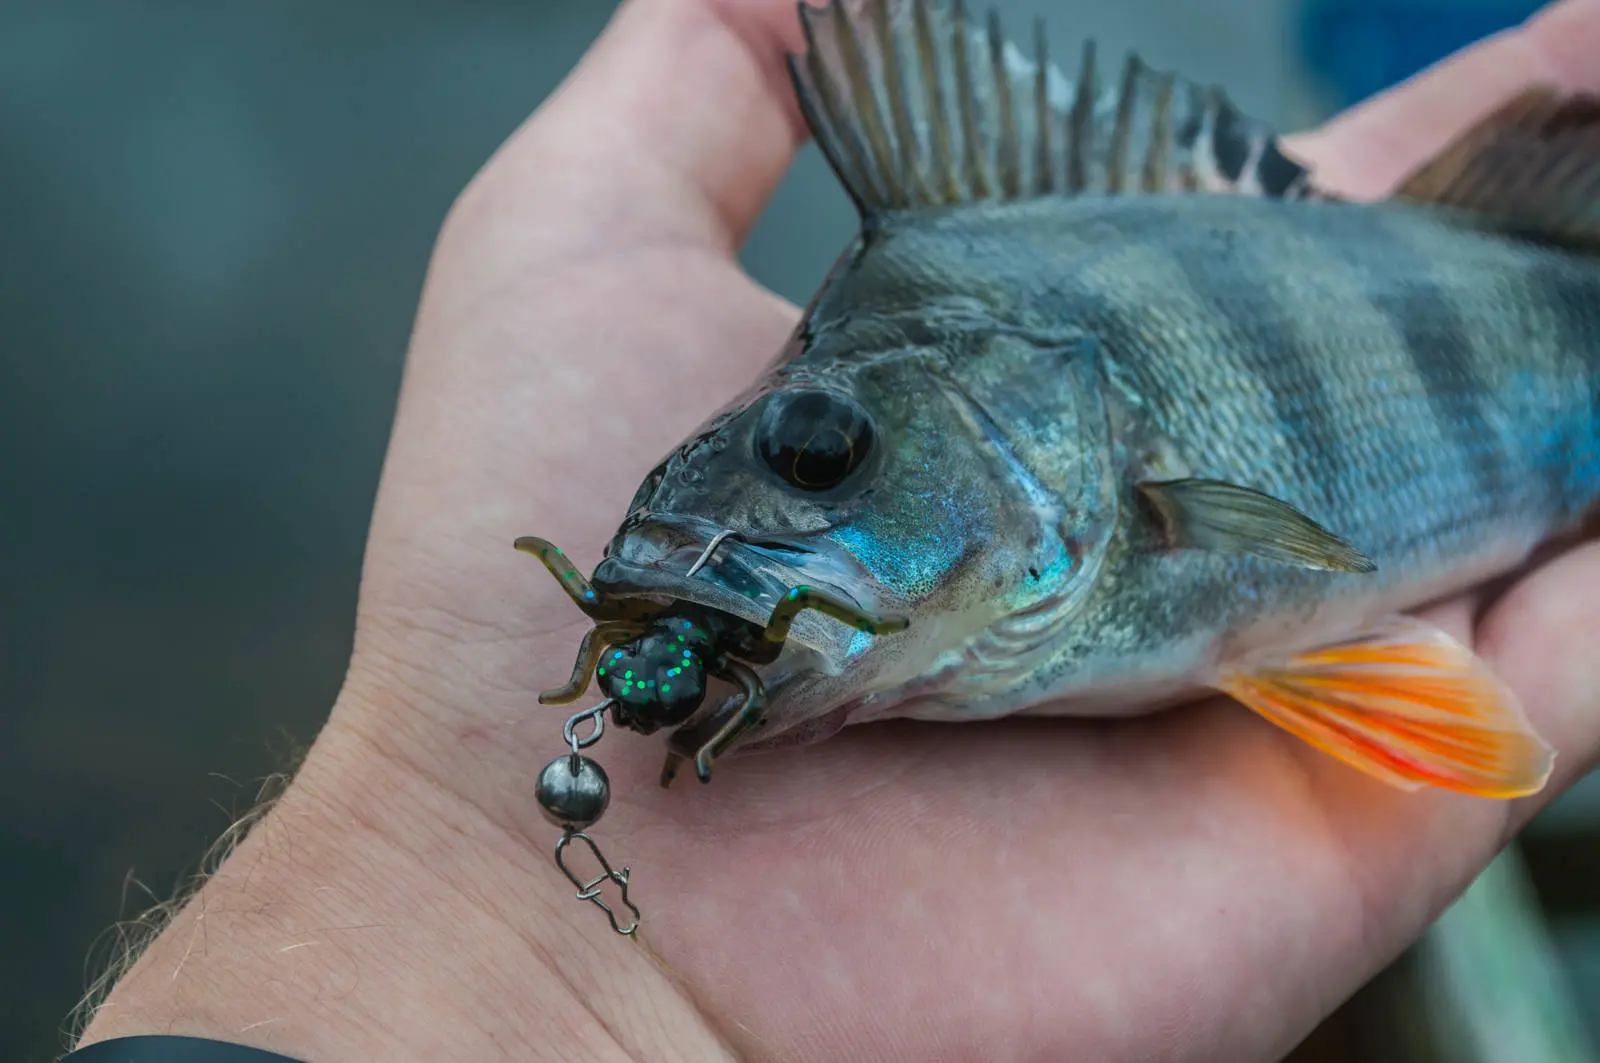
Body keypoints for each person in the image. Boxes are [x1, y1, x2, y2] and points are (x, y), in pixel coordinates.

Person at [70, 1, 1600, 1060]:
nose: (772, 522)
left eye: (823, 452)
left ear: (1033, 409)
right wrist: (482, 909)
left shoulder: (1123, 474)